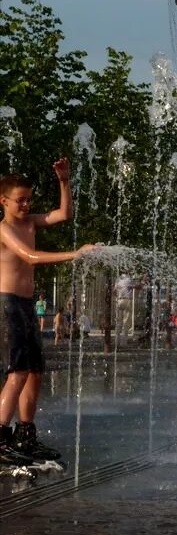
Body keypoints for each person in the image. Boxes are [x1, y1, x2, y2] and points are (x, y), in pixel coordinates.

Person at [0, 162, 95, 465]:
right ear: (3, 201)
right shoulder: (3, 228)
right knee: (17, 372)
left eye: (29, 199)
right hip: (7, 304)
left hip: (25, 304)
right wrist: (75, 254)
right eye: (20, 200)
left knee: (35, 371)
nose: (27, 205)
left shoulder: (30, 223)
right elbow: (30, 256)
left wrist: (64, 181)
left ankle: (25, 434)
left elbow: (64, 215)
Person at [113, 273, 136, 344]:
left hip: (119, 300)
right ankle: (124, 341)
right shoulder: (129, 279)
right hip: (127, 300)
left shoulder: (118, 279)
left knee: (118, 321)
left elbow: (114, 290)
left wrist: (117, 297)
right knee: (126, 321)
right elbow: (136, 286)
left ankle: (117, 340)